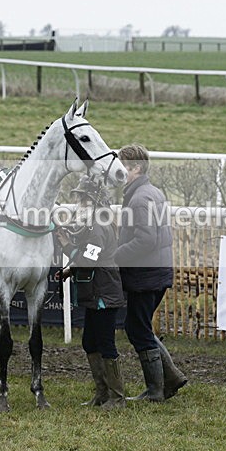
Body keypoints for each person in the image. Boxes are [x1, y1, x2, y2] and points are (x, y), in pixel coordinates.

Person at [114, 144, 187, 402]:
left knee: (138, 328)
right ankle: (171, 378)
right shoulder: (151, 192)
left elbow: (145, 240)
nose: (118, 169)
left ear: (136, 168)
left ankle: (156, 389)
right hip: (154, 271)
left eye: (122, 164)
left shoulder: (140, 197)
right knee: (138, 326)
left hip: (146, 275)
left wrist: (116, 255)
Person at [57, 176, 126, 410]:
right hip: (97, 293)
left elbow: (89, 259)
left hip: (103, 294)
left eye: (83, 198)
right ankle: (102, 393)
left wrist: (66, 246)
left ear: (93, 201)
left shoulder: (97, 226)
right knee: (89, 342)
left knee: (106, 344)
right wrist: (69, 271)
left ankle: (117, 397)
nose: (79, 203)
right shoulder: (93, 224)